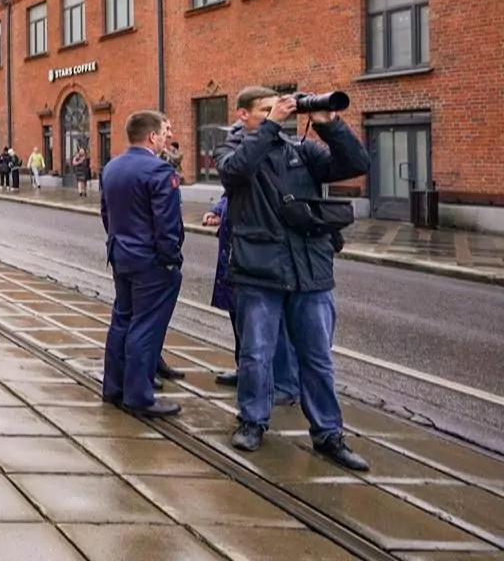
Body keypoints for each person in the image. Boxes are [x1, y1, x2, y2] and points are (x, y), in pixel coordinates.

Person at [216, 86, 371, 470]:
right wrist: (270, 127)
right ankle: (252, 421)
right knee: (256, 355)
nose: (277, 115)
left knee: (317, 359)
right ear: (244, 116)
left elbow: (356, 163)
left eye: (278, 109)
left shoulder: (301, 150)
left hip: (310, 270)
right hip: (260, 271)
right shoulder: (232, 150)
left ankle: (328, 433)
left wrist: (329, 125)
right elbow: (237, 172)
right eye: (266, 110)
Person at [99, 110, 184, 418]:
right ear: (151, 136)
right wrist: (171, 260)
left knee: (122, 320)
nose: (167, 137)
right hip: (151, 261)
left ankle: (114, 387)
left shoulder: (112, 167)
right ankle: (139, 396)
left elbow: (107, 214)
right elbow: (168, 224)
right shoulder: (159, 171)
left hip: (121, 255)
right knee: (145, 327)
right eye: (164, 132)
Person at [204, 187, 300, 402]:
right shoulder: (243, 168)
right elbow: (231, 194)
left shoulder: (275, 169)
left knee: (273, 325)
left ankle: (284, 384)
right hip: (235, 259)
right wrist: (218, 210)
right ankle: (246, 373)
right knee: (240, 319)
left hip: (261, 260)